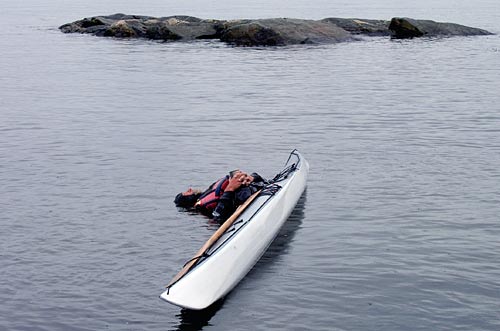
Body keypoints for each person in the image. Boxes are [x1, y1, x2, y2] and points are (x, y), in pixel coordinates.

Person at [174, 170, 267, 224]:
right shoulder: (201, 206)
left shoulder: (207, 192)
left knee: (253, 178)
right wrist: (230, 189)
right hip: (237, 202)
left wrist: (247, 177)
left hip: (249, 187)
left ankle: (252, 180)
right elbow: (218, 215)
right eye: (186, 192)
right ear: (187, 200)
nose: (190, 189)